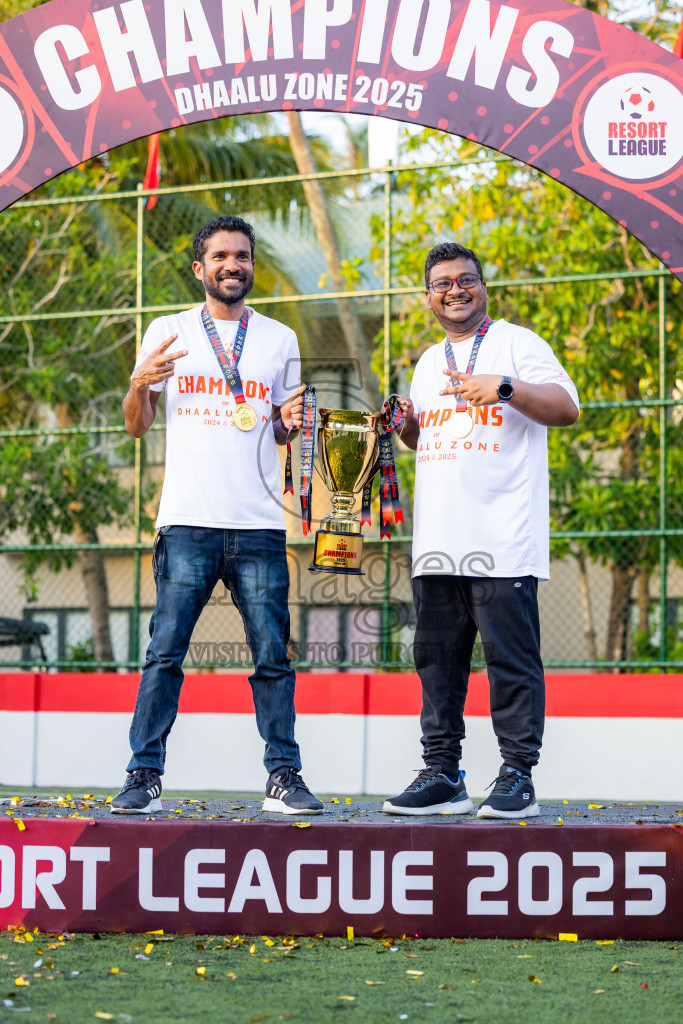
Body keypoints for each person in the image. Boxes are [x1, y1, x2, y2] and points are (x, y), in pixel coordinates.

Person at [112, 215, 323, 816]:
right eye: (222, 256)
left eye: (243, 256)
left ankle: (284, 776)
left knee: (272, 657)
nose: (234, 264)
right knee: (164, 653)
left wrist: (293, 422)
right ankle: (143, 775)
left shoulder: (280, 339)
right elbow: (136, 424)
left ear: (251, 266)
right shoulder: (168, 330)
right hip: (187, 522)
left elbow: (283, 431)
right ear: (200, 267)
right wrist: (139, 385)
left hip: (259, 525)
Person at [383, 242, 579, 819]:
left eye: (466, 279)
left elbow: (568, 408)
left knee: (510, 663)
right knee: (437, 663)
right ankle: (443, 774)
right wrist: (408, 425)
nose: (455, 289)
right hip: (438, 543)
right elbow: (426, 441)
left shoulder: (518, 344)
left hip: (504, 540)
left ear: (482, 287)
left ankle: (518, 775)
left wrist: (506, 387)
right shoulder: (426, 362)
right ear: (428, 297)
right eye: (443, 282)